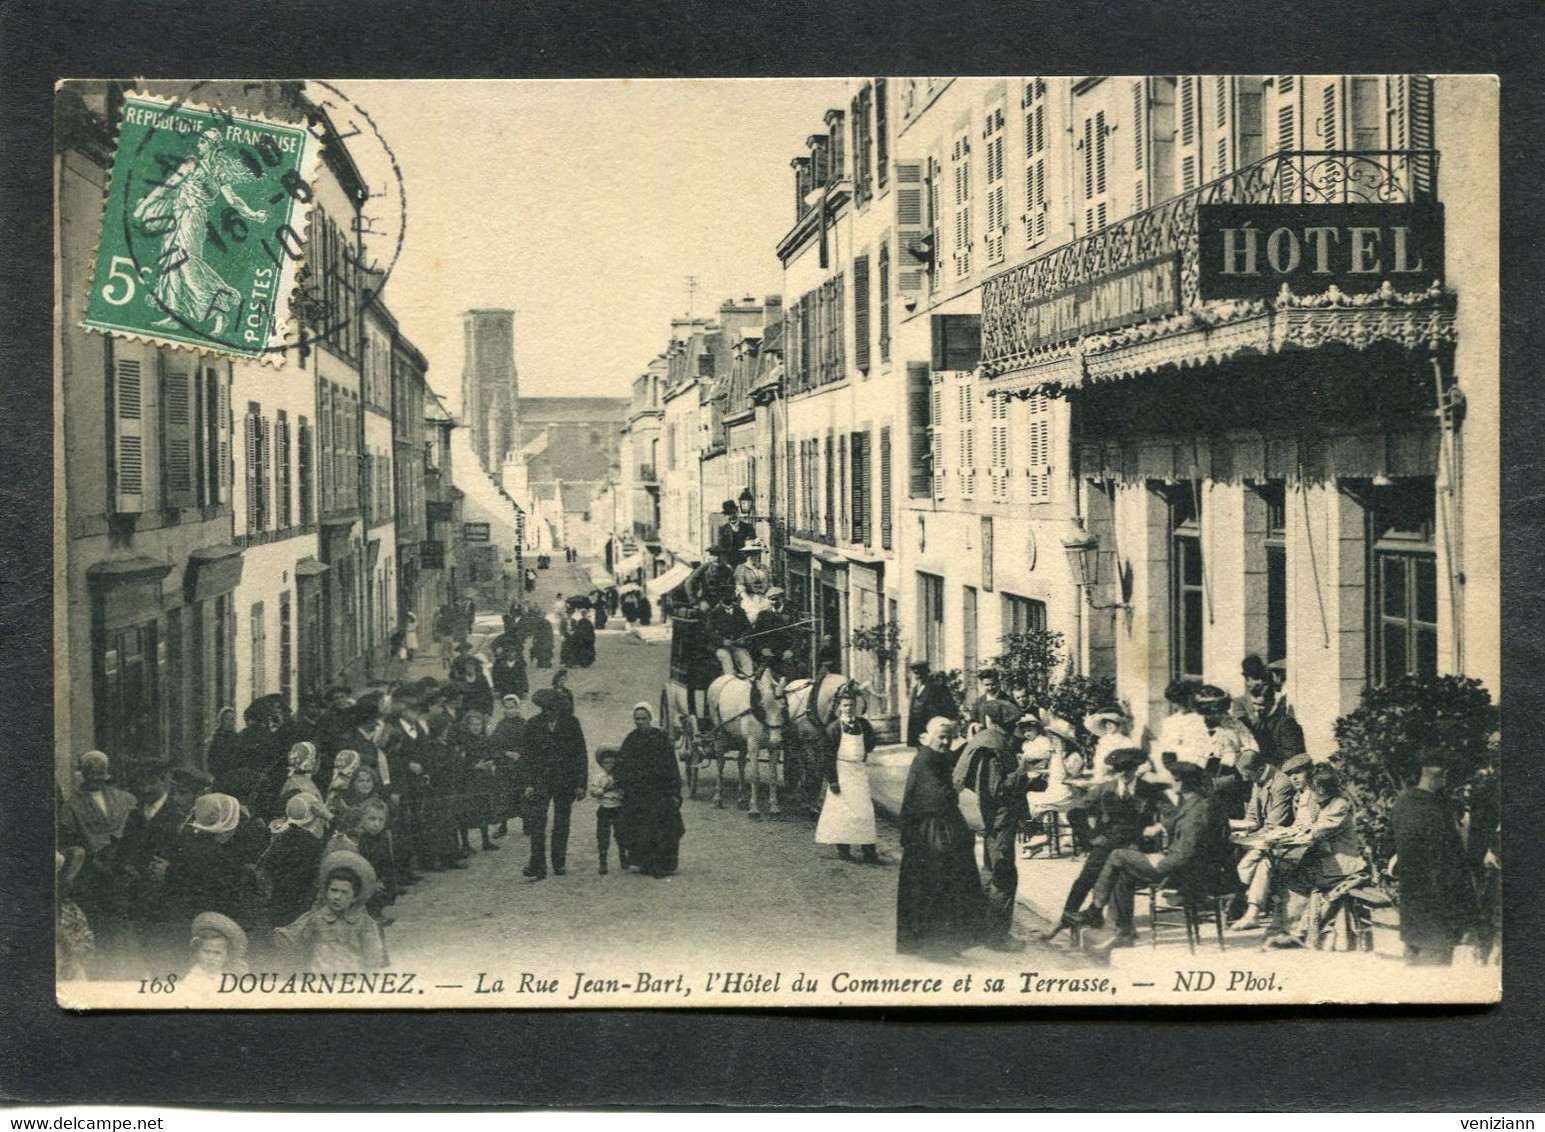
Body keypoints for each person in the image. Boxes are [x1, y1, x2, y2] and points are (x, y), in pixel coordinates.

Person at [1069, 762, 1230, 951]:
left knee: (1117, 856)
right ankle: (1122, 932)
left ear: (1184, 783)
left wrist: (1159, 860)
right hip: (1184, 864)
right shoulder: (1197, 802)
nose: (1171, 784)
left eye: (1174, 781)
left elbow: (1187, 853)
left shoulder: (1199, 811)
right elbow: (1177, 820)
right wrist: (1161, 827)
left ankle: (1096, 910)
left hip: (1184, 872)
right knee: (1122, 873)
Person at [1045, 747, 1163, 941]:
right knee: (1086, 878)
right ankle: (1065, 919)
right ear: (1114, 771)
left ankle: (1120, 925)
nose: (1124, 773)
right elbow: (1074, 812)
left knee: (1122, 877)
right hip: (1107, 842)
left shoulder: (1148, 791)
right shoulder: (1104, 789)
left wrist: (1157, 828)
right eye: (1119, 769)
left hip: (1136, 843)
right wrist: (1089, 838)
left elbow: (1168, 814)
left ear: (1136, 769)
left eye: (1128, 769)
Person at [896, 717, 990, 958]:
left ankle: (943, 941)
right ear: (929, 738)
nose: (946, 741)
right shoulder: (926, 760)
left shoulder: (935, 757)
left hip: (936, 826)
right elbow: (936, 798)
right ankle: (932, 944)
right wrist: (953, 792)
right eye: (941, 737)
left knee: (944, 883)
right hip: (929, 831)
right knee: (936, 882)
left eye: (949, 737)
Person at [1389, 748, 1478, 966]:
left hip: (1411, 912)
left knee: (1413, 980)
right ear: (1442, 775)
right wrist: (1468, 914)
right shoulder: (1440, 810)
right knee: (1435, 981)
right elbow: (1453, 864)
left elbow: (1390, 850)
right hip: (1438, 913)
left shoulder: (1401, 804)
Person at [955, 701, 1031, 950]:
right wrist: (1022, 771)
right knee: (1004, 874)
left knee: (990, 871)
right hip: (998, 820)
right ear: (1004, 723)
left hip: (991, 819)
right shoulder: (993, 747)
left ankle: (983, 930)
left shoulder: (984, 740)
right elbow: (997, 789)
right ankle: (997, 937)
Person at [274, 851, 386, 974]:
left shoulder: (365, 923)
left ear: (354, 897)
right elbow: (290, 938)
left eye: (344, 892)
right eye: (333, 890)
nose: (337, 897)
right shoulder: (316, 918)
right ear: (326, 892)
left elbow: (372, 959)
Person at [519, 689, 588, 880]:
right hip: (540, 780)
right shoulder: (533, 725)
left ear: (560, 709)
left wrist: (581, 784)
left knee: (562, 822)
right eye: (546, 710)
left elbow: (581, 755)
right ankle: (537, 866)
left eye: (554, 710)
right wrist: (528, 783)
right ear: (542, 709)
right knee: (537, 821)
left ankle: (559, 862)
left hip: (565, 782)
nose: (550, 713)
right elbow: (527, 757)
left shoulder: (572, 724)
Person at [1227, 748, 1299, 930]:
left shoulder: (1281, 783)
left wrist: (1251, 838)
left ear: (1260, 769)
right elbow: (1252, 816)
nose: (1244, 779)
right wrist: (1242, 830)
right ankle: (1239, 901)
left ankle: (1238, 899)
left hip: (1283, 840)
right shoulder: (1258, 780)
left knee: (1257, 860)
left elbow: (1275, 823)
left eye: (1247, 775)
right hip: (1265, 838)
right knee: (1230, 846)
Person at [615, 703, 685, 878]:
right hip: (638, 793)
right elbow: (621, 765)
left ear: (650, 719)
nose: (640, 722)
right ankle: (644, 863)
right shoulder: (630, 740)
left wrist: (675, 792)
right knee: (641, 828)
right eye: (637, 719)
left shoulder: (661, 738)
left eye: (643, 719)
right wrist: (623, 784)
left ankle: (662, 865)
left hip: (659, 792)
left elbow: (672, 766)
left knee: (662, 828)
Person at [815, 688, 882, 865]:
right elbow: (827, 755)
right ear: (839, 707)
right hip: (842, 771)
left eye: (851, 705)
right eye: (845, 705)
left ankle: (869, 851)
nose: (848, 708)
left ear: (856, 706)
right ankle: (843, 849)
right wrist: (833, 780)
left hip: (858, 771)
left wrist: (859, 756)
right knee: (842, 811)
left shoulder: (863, 725)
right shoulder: (834, 728)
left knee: (864, 811)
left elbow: (870, 744)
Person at [259, 793, 330, 930]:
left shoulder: (280, 833)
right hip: (298, 899)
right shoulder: (312, 842)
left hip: (277, 895)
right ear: (313, 817)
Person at [1243, 666, 1305, 767]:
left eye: (1260, 705)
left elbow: (1294, 758)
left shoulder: (1286, 724)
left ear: (1271, 702)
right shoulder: (1259, 723)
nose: (1256, 708)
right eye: (1254, 704)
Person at [182, 911, 249, 992]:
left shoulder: (229, 979)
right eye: (206, 951)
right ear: (197, 952)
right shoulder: (191, 980)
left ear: (227, 956)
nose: (211, 957)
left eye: (217, 953)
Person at [905, 663, 959, 748]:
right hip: (918, 727)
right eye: (915, 673)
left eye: (920, 673)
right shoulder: (915, 688)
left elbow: (948, 706)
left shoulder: (936, 687)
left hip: (931, 725)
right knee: (921, 750)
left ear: (926, 673)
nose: (918, 676)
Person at [589, 747, 625, 875]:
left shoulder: (620, 777)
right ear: (601, 764)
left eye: (611, 763)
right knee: (603, 834)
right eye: (606, 763)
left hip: (618, 807)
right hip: (604, 808)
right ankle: (603, 861)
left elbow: (624, 792)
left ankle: (623, 855)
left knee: (620, 832)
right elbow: (594, 792)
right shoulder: (598, 777)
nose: (609, 765)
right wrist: (605, 788)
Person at [708, 588, 754, 678]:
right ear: (721, 598)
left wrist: (743, 637)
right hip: (720, 646)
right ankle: (730, 681)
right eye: (724, 596)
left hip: (736, 645)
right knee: (726, 658)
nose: (728, 598)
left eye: (730, 596)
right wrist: (722, 641)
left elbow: (747, 627)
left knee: (744, 657)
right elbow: (710, 631)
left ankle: (749, 680)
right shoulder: (714, 613)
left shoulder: (739, 610)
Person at [205, 707, 243, 792]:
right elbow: (211, 759)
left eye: (232, 719)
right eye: (227, 719)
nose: (230, 722)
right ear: (222, 720)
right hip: (221, 777)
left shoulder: (237, 737)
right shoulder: (217, 738)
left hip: (234, 777)